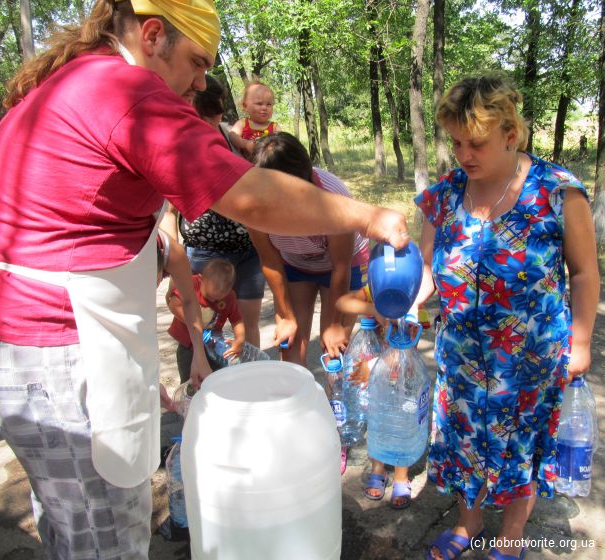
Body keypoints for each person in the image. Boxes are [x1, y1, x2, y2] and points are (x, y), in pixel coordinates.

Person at [0, 1, 410, 557]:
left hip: (14, 344)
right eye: (196, 62)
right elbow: (251, 198)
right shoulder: (125, 93)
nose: (200, 82)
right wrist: (369, 216)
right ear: (152, 36)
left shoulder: (75, 80)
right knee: (106, 541)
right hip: (56, 353)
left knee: (69, 524)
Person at [414, 75, 600, 560]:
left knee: (520, 447)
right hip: (460, 356)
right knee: (462, 441)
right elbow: (429, 270)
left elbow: (584, 273)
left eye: (475, 143)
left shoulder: (557, 192)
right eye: (456, 142)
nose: (463, 154)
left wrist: (581, 342)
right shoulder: (444, 195)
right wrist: (407, 304)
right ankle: (468, 522)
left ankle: (511, 536)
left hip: (530, 360)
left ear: (510, 135)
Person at [249, 132, 369, 366]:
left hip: (343, 266)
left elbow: (341, 267)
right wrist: (285, 316)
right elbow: (270, 260)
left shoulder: (332, 196)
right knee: (290, 347)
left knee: (334, 351)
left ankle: (336, 389)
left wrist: (334, 324)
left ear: (306, 179)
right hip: (295, 263)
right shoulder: (252, 202)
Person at [163, 74, 265, 347]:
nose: (210, 125)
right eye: (203, 117)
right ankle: (201, 370)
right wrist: (175, 258)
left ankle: (253, 371)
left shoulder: (233, 138)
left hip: (247, 250)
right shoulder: (177, 146)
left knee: (248, 324)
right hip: (204, 254)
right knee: (199, 326)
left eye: (216, 116)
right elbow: (170, 212)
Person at [336, 286, 421, 508]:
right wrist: (375, 309)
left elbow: (405, 350)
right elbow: (342, 302)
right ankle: (378, 470)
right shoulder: (373, 291)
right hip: (376, 377)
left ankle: (401, 477)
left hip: (401, 378)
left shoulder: (410, 300)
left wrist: (373, 366)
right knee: (376, 420)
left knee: (401, 424)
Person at [156, 229, 211, 411]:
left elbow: (189, 301)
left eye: (159, 278)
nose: (156, 284)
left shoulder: (172, 252)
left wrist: (199, 354)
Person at [167, 258, 245, 383]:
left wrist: (239, 339)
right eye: (209, 296)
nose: (213, 301)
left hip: (213, 345)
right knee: (191, 380)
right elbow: (173, 304)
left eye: (218, 299)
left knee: (217, 377)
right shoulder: (192, 285)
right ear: (201, 279)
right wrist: (193, 322)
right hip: (188, 345)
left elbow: (237, 321)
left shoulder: (230, 297)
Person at [229, 81, 281, 157]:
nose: (264, 108)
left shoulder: (275, 127)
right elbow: (232, 136)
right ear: (245, 106)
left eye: (269, 104)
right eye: (259, 103)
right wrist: (245, 144)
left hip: (270, 162)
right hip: (246, 163)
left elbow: (282, 143)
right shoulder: (242, 123)